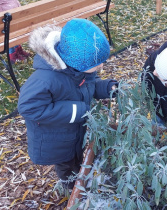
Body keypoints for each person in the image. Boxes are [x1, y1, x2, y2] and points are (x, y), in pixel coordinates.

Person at [17, 18, 118, 192]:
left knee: (76, 157)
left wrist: (108, 87)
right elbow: (28, 106)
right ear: (77, 63)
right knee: (67, 166)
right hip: (56, 139)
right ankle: (73, 190)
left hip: (73, 132)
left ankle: (80, 175)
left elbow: (89, 86)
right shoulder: (45, 79)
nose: (101, 66)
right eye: (96, 63)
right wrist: (77, 110)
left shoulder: (78, 70)